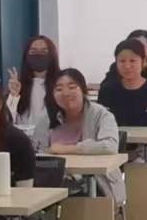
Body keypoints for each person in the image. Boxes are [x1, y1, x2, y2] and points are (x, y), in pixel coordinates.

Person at [42, 68, 125, 200]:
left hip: (96, 184)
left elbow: (110, 146)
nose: (66, 93)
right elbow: (37, 150)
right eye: (59, 89)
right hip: (56, 183)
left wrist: (68, 149)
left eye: (72, 87)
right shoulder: (48, 118)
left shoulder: (101, 115)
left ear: (83, 90)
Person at [98, 37, 147, 130]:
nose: (127, 66)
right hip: (115, 139)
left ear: (143, 62)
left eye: (132, 61)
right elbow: (99, 126)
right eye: (122, 61)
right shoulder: (107, 91)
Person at [7, 34, 62, 143]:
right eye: (33, 52)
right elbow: (8, 120)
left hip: (55, 147)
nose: (38, 55)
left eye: (44, 51)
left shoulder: (60, 84)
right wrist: (13, 96)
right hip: (24, 146)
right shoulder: (18, 86)